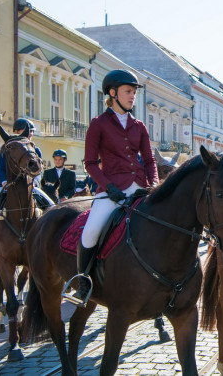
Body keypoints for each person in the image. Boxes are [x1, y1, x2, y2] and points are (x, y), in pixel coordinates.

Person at [63, 69, 158, 307]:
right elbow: (91, 163)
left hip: (140, 188)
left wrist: (154, 183)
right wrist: (108, 187)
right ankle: (83, 282)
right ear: (113, 93)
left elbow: (149, 160)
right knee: (91, 230)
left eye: (134, 93)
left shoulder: (139, 126)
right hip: (112, 189)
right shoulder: (99, 124)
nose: (132, 96)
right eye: (128, 92)